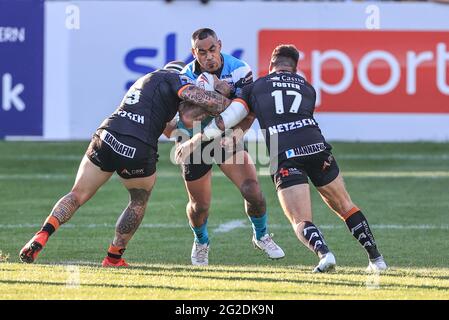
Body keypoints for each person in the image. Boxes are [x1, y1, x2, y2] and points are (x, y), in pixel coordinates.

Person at [176, 45, 388, 273]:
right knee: (346, 206)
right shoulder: (307, 88)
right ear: (295, 69)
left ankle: (325, 255)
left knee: (300, 220)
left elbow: (231, 117)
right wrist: (239, 134)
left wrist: (198, 139)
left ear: (270, 65)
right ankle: (376, 260)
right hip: (317, 148)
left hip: (286, 154)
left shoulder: (257, 87)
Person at [19, 61, 232, 267]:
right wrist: (227, 96)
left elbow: (170, 128)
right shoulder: (175, 78)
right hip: (137, 146)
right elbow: (212, 103)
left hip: (107, 135)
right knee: (138, 201)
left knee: (77, 194)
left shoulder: (145, 83)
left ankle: (43, 233)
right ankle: (113, 258)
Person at [172, 28, 285, 266]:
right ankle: (201, 241)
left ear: (220, 45)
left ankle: (261, 235)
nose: (208, 56)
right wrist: (228, 99)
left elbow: (250, 108)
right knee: (199, 206)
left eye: (212, 50)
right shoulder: (186, 74)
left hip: (228, 135)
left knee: (252, 190)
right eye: (201, 52)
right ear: (194, 52)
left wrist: (239, 131)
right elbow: (189, 116)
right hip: (193, 139)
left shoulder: (240, 69)